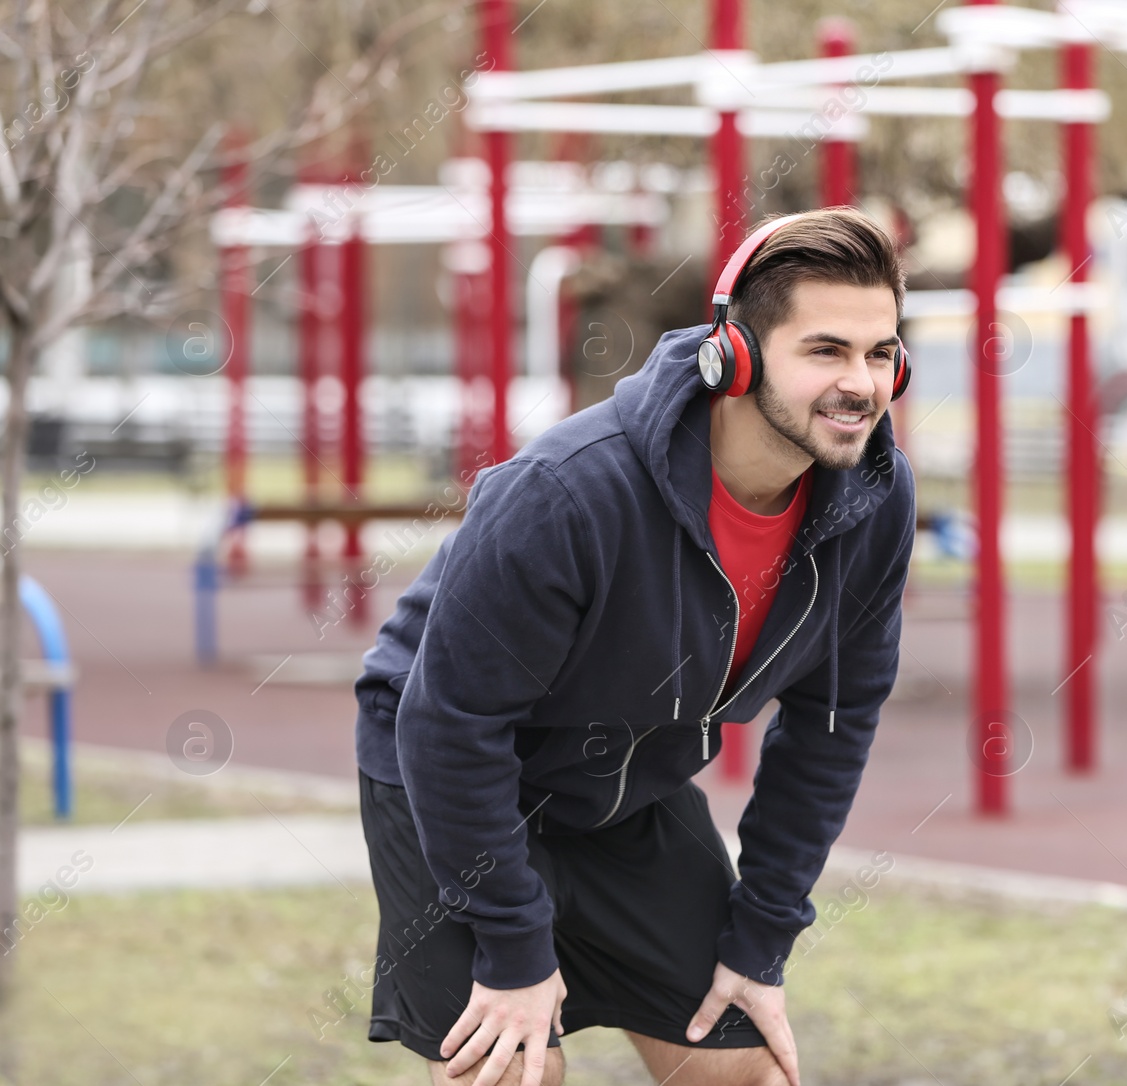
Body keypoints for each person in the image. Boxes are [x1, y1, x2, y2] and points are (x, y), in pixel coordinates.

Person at [352, 206, 917, 1086]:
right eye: (826, 351)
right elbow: (449, 724)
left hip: (627, 785)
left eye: (881, 353)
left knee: (746, 1071)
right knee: (512, 1071)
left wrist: (762, 936)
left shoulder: (870, 498)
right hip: (451, 772)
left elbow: (832, 725)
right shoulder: (567, 494)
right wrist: (513, 945)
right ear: (735, 355)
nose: (863, 384)